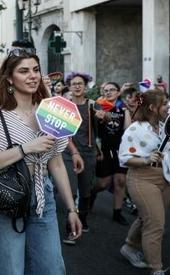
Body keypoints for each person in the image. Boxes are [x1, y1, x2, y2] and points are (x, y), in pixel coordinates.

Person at [0, 47, 81, 275]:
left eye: (36, 70)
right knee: (10, 270)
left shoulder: (51, 111)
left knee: (52, 270)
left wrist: (72, 208)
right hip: (7, 198)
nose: (32, 76)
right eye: (24, 71)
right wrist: (26, 148)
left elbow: (57, 163)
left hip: (44, 199)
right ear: (10, 77)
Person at [118, 90, 170, 274]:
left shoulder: (164, 127)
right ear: (153, 107)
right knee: (156, 225)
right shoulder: (135, 129)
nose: (169, 106)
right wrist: (146, 159)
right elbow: (124, 158)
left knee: (147, 218)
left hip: (165, 179)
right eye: (165, 103)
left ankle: (129, 247)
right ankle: (156, 269)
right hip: (142, 179)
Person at [62, 71, 106, 244]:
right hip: (67, 152)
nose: (77, 86)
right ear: (69, 87)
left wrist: (104, 116)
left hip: (88, 153)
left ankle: (84, 216)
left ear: (86, 87)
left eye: (80, 84)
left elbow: (107, 119)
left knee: (85, 190)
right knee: (71, 191)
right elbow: (60, 132)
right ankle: (71, 228)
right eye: (74, 84)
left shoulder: (93, 105)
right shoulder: (64, 105)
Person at [91, 82, 129, 225]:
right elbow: (93, 130)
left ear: (119, 93)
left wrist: (126, 110)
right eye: (106, 90)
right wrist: (96, 148)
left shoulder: (123, 109)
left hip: (120, 150)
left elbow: (128, 129)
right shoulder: (98, 107)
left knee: (120, 181)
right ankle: (91, 195)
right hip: (103, 150)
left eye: (112, 90)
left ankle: (117, 212)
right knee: (102, 184)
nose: (109, 92)